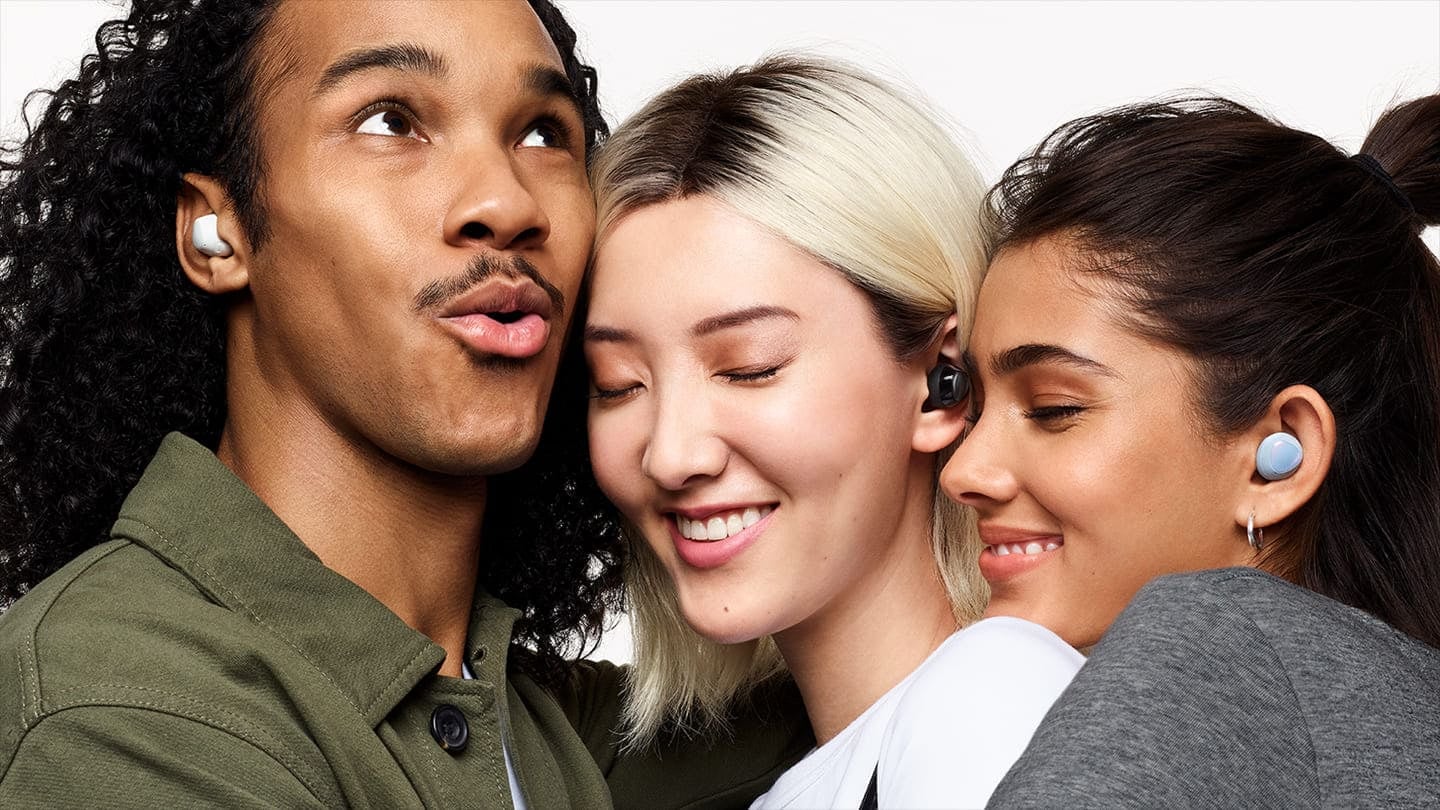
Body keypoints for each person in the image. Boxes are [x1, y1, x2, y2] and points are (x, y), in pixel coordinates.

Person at [0, 1, 810, 806]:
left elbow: (886, 690)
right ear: (218, 230)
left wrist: (921, 426)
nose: (508, 204)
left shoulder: (554, 733)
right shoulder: (119, 710)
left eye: (541, 132)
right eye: (391, 120)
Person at [583, 55, 1084, 810]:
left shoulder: (990, 695)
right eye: (618, 384)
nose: (671, 454)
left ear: (939, 382)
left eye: (748, 368)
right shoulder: (814, 773)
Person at [934, 95, 1440, 805]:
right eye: (975, 406)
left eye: (1055, 409)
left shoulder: (1208, 646)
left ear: (1280, 451)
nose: (962, 472)